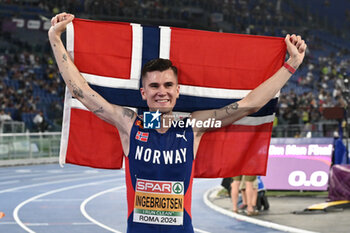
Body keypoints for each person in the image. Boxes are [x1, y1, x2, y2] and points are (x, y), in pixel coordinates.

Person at [49, 13, 306, 233]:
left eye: (168, 85)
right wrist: (55, 39)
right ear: (143, 93)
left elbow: (249, 104)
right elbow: (81, 91)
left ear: (178, 90)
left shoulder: (193, 127)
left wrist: (291, 64)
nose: (162, 91)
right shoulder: (129, 124)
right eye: (154, 86)